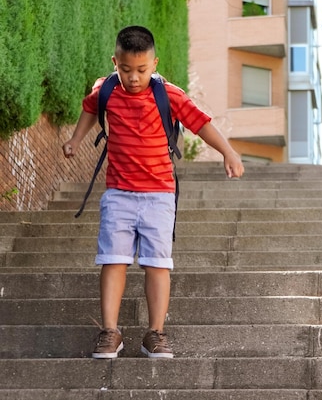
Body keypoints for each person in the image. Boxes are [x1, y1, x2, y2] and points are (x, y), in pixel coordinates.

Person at [62, 25, 244, 359]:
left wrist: (228, 152)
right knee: (113, 261)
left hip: (159, 194)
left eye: (142, 70)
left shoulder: (168, 94)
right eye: (126, 69)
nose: (134, 77)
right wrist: (75, 139)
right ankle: (109, 332)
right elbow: (90, 108)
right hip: (118, 192)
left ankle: (155, 334)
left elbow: (201, 124)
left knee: (158, 264)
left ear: (155, 63)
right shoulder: (105, 90)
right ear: (114, 61)